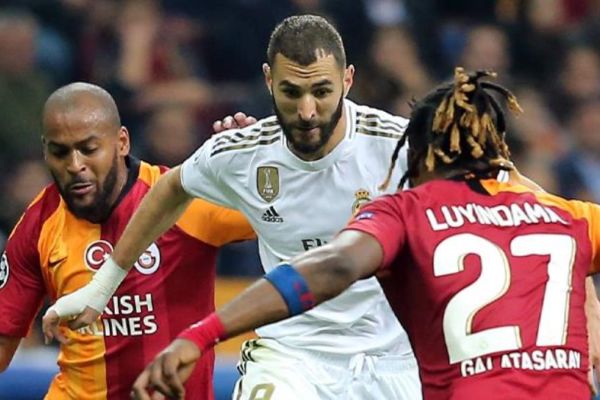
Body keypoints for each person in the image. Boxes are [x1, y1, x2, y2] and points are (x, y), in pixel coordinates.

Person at [130, 68, 600, 400]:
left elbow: (332, 267)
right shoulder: (566, 216)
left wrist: (203, 333)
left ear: (422, 156)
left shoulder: (410, 212)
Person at [44, 15, 422, 400]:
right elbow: (171, 188)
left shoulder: (403, 147)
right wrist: (101, 287)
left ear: (348, 80)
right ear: (269, 80)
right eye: (291, 92)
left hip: (393, 359)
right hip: (293, 357)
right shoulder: (243, 152)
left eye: (322, 91)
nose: (307, 111)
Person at [0, 82, 255, 399]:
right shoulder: (39, 222)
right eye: (60, 152)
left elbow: (288, 216)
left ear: (122, 142)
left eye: (88, 149)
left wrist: (257, 168)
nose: (75, 165)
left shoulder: (185, 200)